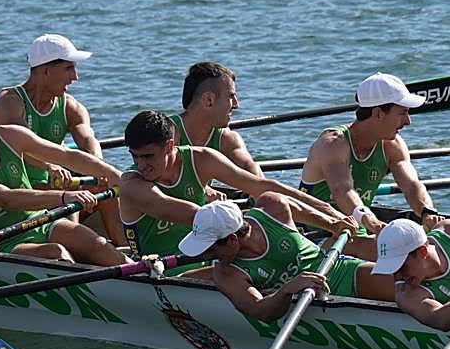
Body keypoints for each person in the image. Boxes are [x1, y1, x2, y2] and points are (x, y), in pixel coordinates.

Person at [118, 110, 354, 273]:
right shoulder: (132, 185)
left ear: (169, 146)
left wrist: (327, 214)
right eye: (134, 156)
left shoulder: (200, 158)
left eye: (148, 156)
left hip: (216, 256)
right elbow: (197, 216)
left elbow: (260, 186)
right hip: (167, 269)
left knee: (271, 201)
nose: (141, 165)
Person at [0, 87, 126, 264]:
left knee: (99, 245)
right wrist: (63, 197)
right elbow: (6, 198)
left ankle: (145, 277)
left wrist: (115, 175)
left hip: (40, 221)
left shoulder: (10, 136)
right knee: (55, 252)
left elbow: (67, 156)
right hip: (3, 241)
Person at [0, 33, 122, 239]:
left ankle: (126, 253)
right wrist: (49, 167)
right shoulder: (9, 103)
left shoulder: (70, 107)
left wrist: (99, 170)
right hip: (20, 190)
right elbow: (21, 147)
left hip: (59, 184)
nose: (75, 77)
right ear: (46, 70)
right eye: (69, 68)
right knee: (72, 195)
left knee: (107, 193)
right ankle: (73, 253)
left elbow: (88, 141)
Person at [178, 197, 394, 322]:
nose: (204, 256)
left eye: (209, 248)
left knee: (403, 285)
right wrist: (286, 290)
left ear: (233, 239)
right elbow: (260, 311)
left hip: (340, 271)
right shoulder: (226, 275)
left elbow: (298, 207)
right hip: (306, 306)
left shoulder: (272, 207)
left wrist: (332, 224)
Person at [300, 72, 440, 240]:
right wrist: (371, 221)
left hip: (355, 231)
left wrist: (427, 211)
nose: (408, 121)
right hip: (313, 233)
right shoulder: (333, 144)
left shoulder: (392, 146)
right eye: (402, 113)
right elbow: (342, 190)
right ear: (378, 113)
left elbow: (411, 185)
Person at [166, 62, 260, 176]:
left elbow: (251, 171)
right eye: (231, 96)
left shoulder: (226, 139)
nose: (236, 104)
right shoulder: (167, 132)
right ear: (209, 100)